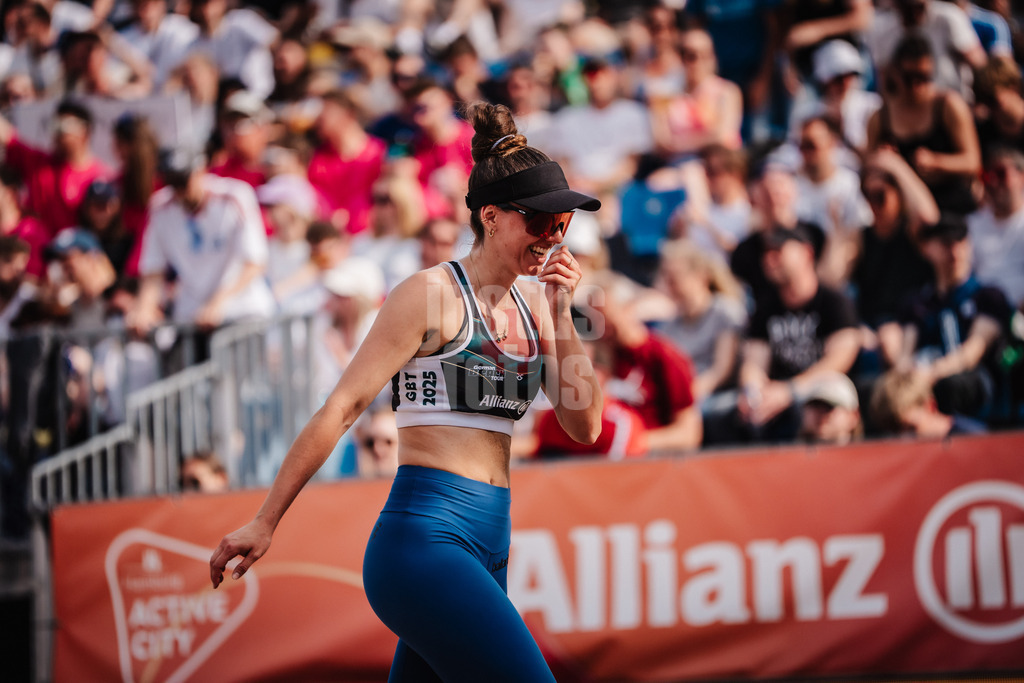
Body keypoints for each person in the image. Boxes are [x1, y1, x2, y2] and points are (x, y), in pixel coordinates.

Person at [209, 102, 603, 683]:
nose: (552, 237)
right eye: (539, 222)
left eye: (562, 225)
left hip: (490, 544)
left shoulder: (537, 306)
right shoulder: (429, 294)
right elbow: (341, 408)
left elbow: (586, 426)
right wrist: (266, 521)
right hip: (424, 543)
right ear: (491, 216)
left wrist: (563, 315)